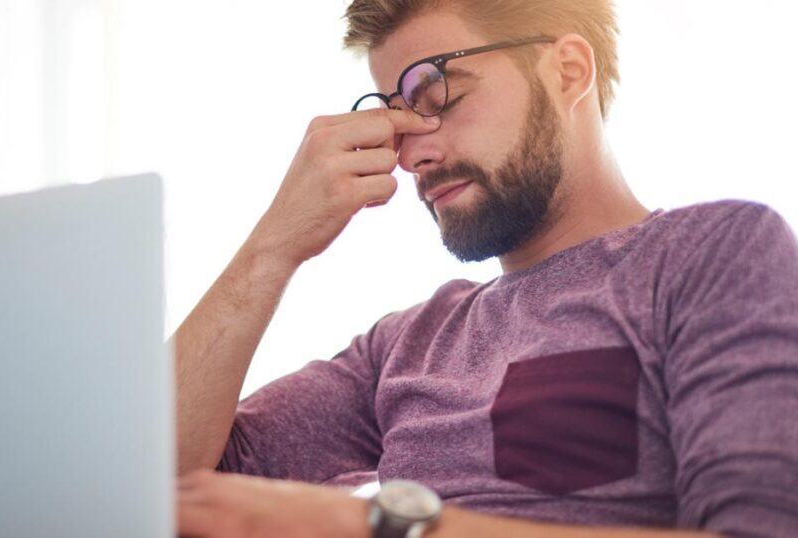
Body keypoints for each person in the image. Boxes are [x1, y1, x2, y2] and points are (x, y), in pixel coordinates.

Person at [173, 1, 798, 537]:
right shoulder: (402, 348)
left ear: (568, 70)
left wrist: (372, 525)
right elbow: (159, 483)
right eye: (394, 116)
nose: (413, 152)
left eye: (439, 94)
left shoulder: (710, 254)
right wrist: (274, 245)